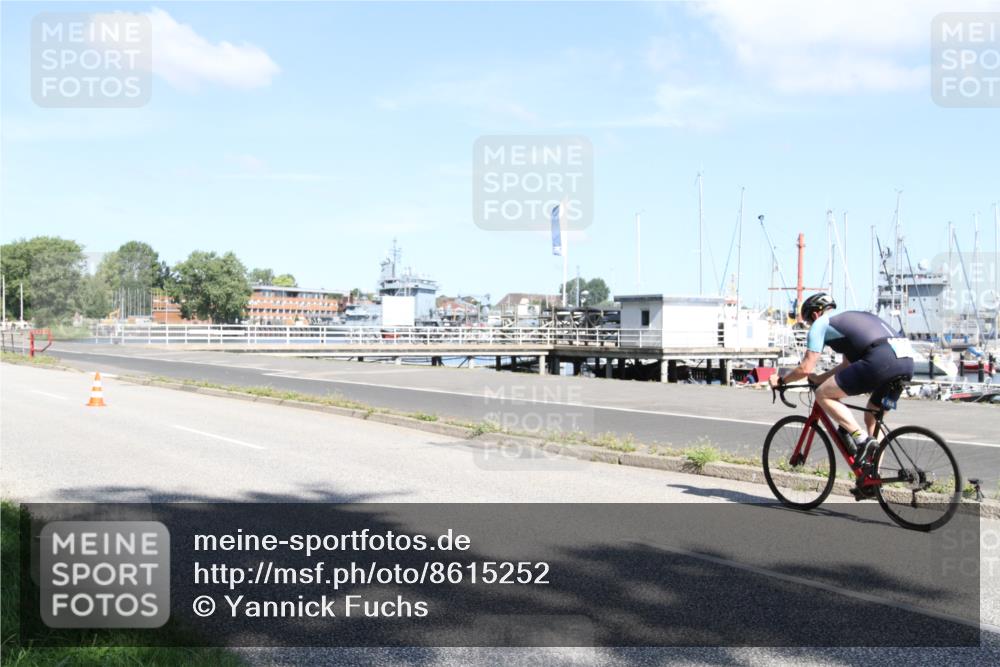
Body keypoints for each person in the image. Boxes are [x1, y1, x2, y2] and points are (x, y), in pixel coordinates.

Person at [768, 293, 915, 479]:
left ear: (814, 314)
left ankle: (860, 439)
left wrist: (781, 381)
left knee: (823, 395)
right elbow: (846, 366)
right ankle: (872, 477)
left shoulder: (821, 323)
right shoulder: (853, 317)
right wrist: (820, 378)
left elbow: (806, 367)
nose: (809, 327)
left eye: (807, 322)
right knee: (872, 416)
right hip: (906, 363)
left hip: (881, 359)